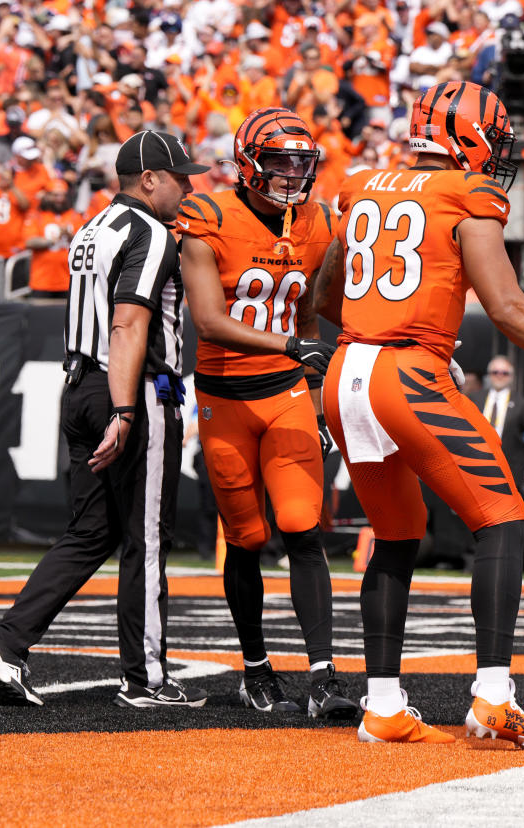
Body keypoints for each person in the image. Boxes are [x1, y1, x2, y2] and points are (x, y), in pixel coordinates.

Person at [310, 80, 524, 747]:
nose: (495, 156)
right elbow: (509, 307)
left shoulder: (359, 185)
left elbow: (325, 294)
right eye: (491, 140)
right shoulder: (467, 194)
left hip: (345, 370)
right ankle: (493, 696)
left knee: (397, 533)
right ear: (466, 137)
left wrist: (384, 328)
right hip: (404, 372)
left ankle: (382, 704)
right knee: (504, 519)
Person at [0, 131, 211, 708]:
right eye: (180, 176)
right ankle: (146, 677)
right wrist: (126, 408)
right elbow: (127, 325)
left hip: (79, 384)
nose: (190, 186)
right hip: (130, 387)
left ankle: (8, 642)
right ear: (150, 179)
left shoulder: (94, 226)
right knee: (147, 537)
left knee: (91, 531)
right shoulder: (148, 231)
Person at [178, 108, 356, 718]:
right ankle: (255, 664)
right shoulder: (207, 217)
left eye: (302, 163)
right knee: (247, 540)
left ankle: (325, 675)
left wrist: (311, 377)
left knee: (303, 526)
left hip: (284, 393)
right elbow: (208, 320)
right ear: (248, 161)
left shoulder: (319, 222)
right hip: (224, 397)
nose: (291, 173)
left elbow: (312, 315)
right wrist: (290, 345)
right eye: (279, 160)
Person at [468, 355, 524, 490]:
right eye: (495, 372)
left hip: (510, 468)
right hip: (477, 466)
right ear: (489, 375)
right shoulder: (474, 398)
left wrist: (517, 453)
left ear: (511, 376)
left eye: (504, 373)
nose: (500, 376)